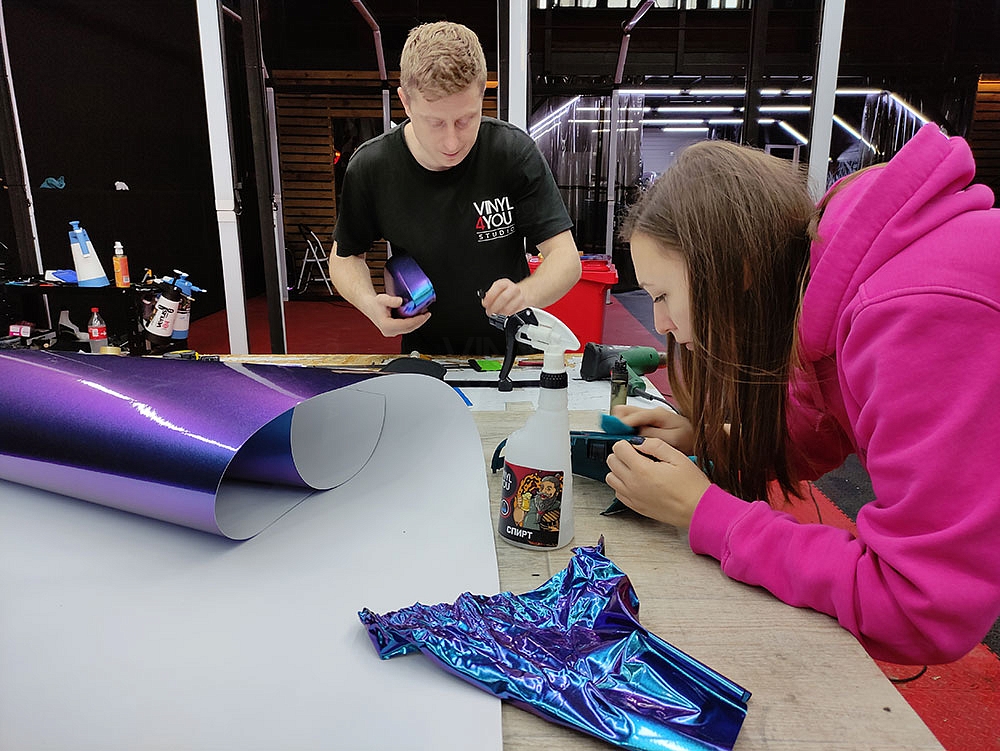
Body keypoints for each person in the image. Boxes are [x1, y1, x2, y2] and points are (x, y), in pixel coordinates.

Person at [604, 123, 1000, 666]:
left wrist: (707, 514)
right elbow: (818, 423)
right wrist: (712, 438)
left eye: (663, 295)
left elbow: (920, 607)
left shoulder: (914, 312)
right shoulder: (825, 279)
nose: (661, 324)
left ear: (738, 270)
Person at [329, 21, 581, 356]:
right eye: (435, 122)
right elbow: (345, 257)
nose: (452, 142)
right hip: (425, 355)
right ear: (406, 102)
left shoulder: (511, 153)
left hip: (514, 352)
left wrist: (525, 294)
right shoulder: (372, 167)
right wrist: (368, 303)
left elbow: (566, 259)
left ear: (482, 94)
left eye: (466, 119)